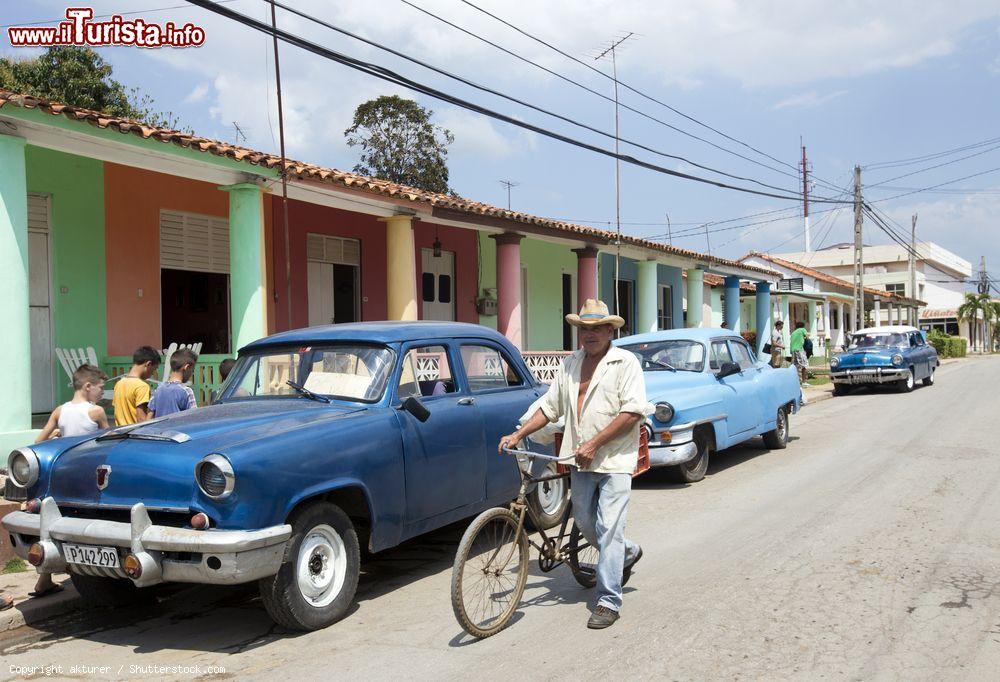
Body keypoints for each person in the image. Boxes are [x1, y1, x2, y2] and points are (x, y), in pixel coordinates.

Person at [499, 299, 647, 630]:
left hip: (613, 460)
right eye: (584, 329)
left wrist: (595, 443)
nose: (589, 335)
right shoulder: (570, 365)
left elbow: (633, 412)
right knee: (583, 520)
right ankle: (627, 552)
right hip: (579, 460)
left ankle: (608, 600)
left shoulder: (625, 363)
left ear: (610, 330)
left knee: (609, 527)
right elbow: (549, 408)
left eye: (596, 328)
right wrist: (517, 433)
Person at [29, 364, 110, 598]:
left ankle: (44, 579)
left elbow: (38, 441)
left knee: (53, 524)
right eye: (100, 388)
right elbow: (109, 441)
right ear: (87, 386)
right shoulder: (95, 412)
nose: (101, 392)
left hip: (63, 475)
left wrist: (57, 437)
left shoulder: (59, 410)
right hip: (87, 476)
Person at [113, 346, 160, 426]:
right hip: (134, 434)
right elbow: (141, 419)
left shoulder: (119, 383)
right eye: (154, 369)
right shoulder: (142, 386)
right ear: (148, 364)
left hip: (119, 433)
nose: (153, 373)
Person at [149, 348, 199, 418]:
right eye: (192, 370)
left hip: (160, 428)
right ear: (187, 367)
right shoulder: (187, 391)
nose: (192, 373)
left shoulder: (158, 389)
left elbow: (149, 417)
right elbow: (194, 418)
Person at [789, 321, 810, 387]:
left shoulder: (793, 333)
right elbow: (807, 337)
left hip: (793, 350)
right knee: (804, 365)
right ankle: (804, 382)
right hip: (800, 350)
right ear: (802, 326)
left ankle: (795, 382)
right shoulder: (802, 329)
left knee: (795, 366)